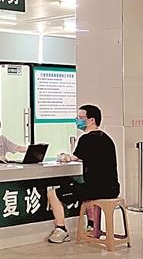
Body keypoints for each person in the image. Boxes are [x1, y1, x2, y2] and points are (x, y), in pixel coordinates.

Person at [46, 104, 120, 244]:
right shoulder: (106, 138)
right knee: (85, 192)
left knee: (52, 194)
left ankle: (61, 229)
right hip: (113, 188)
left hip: (96, 189)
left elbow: (72, 157)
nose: (77, 120)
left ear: (91, 120)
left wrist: (64, 157)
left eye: (80, 118)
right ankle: (92, 226)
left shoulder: (86, 139)